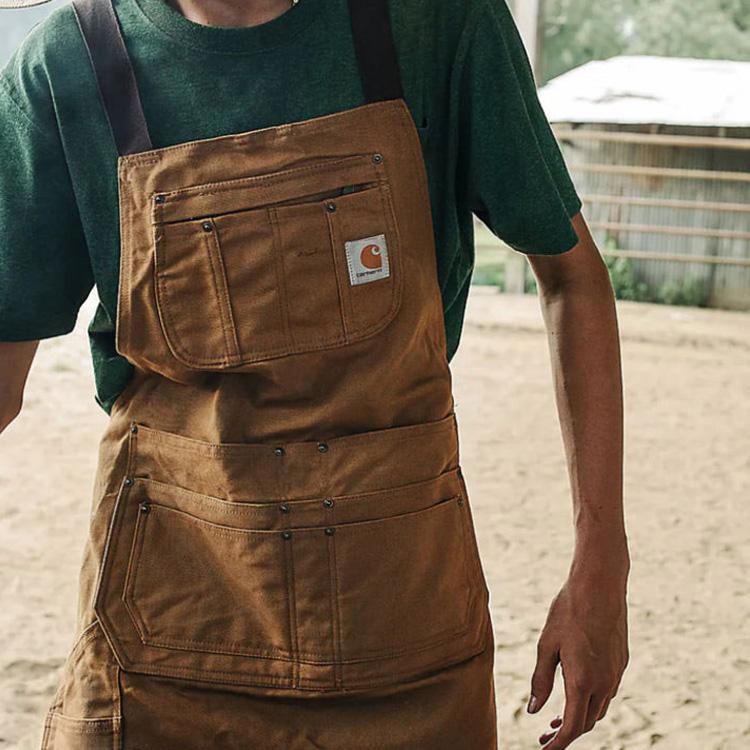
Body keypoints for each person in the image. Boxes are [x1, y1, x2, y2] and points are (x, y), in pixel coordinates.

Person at [0, 0, 630, 748]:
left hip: (405, 641)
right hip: (163, 639)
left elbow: (571, 279)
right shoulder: (66, 62)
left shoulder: (438, 26)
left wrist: (601, 569)